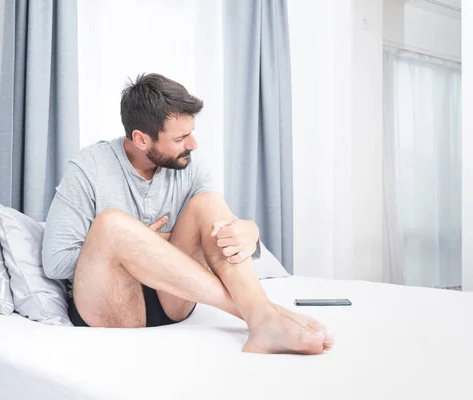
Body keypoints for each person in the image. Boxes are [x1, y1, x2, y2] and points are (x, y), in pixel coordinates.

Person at [42, 73, 333, 354]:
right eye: (181, 138)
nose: (193, 144)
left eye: (191, 133)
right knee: (112, 225)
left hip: (173, 303)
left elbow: (220, 240)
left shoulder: (189, 166)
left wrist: (251, 234)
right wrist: (131, 245)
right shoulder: (88, 167)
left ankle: (262, 319)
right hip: (110, 303)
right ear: (142, 139)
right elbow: (55, 262)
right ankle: (263, 314)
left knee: (208, 202)